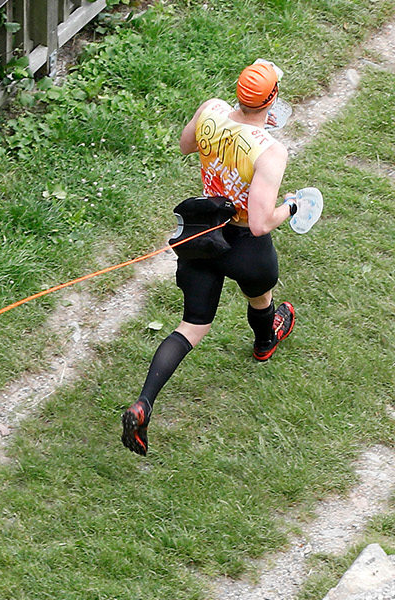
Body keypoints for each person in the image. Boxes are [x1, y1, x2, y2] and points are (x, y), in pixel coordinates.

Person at [121, 59, 302, 456]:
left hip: (203, 236)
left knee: (192, 325)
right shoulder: (271, 151)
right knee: (261, 296)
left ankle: (143, 403)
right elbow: (259, 224)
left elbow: (187, 145)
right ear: (272, 103)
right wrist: (291, 206)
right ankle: (265, 341)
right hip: (243, 244)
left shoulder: (211, 110)